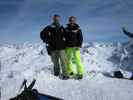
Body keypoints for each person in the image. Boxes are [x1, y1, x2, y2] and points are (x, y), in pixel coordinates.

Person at [40, 14, 68, 79]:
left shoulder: (61, 27)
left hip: (61, 48)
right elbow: (42, 34)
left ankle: (65, 75)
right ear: (53, 19)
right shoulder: (49, 27)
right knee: (55, 63)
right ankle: (56, 74)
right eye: (55, 18)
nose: (56, 19)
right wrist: (47, 40)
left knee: (63, 61)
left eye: (58, 18)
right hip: (53, 48)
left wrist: (65, 43)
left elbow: (66, 36)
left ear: (59, 19)